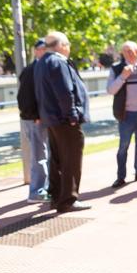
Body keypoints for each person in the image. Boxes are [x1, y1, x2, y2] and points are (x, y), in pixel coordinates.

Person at [34, 31, 91, 213]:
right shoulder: (58, 61)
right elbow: (65, 92)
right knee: (71, 160)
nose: (68, 49)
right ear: (61, 46)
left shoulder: (42, 62)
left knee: (57, 160)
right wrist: (72, 116)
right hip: (65, 120)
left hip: (52, 120)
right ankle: (68, 200)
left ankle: (57, 197)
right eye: (67, 45)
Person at [107, 41, 137, 188]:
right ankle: (120, 176)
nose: (128, 53)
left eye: (130, 50)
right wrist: (122, 76)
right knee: (123, 146)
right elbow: (110, 90)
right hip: (126, 114)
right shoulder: (116, 68)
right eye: (125, 51)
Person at [18, 38, 51, 203]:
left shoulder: (45, 67)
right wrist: (35, 116)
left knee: (46, 155)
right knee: (39, 157)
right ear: (36, 51)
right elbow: (23, 98)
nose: (46, 52)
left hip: (44, 119)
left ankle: (45, 189)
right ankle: (36, 192)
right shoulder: (31, 70)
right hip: (34, 120)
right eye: (42, 49)